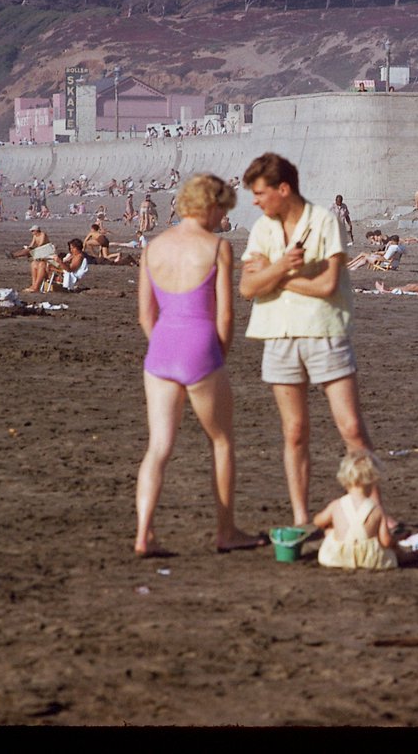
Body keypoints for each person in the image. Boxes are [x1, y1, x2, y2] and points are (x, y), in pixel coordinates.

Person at [238, 152, 379, 529]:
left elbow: (327, 284)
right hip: (278, 334)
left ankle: (375, 511)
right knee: (295, 431)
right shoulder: (262, 229)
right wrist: (281, 267)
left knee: (351, 427)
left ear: (283, 189)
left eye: (260, 192)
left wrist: (276, 275)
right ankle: (301, 516)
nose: (254, 201)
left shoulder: (324, 222)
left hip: (325, 331)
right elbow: (248, 288)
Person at [134, 173, 266, 557]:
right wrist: (217, 355)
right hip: (200, 346)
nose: (222, 218)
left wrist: (163, 345)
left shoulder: (153, 247)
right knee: (221, 441)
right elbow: (224, 316)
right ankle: (226, 530)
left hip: (161, 348)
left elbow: (146, 315)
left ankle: (144, 533)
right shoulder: (217, 247)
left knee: (158, 447)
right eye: (222, 210)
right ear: (210, 206)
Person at [312, 449, 397, 571]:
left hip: (337, 557)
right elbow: (386, 541)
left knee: (329, 532)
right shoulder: (377, 509)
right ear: (373, 481)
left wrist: (332, 527)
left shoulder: (336, 505)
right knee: (388, 549)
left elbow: (318, 522)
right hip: (369, 559)